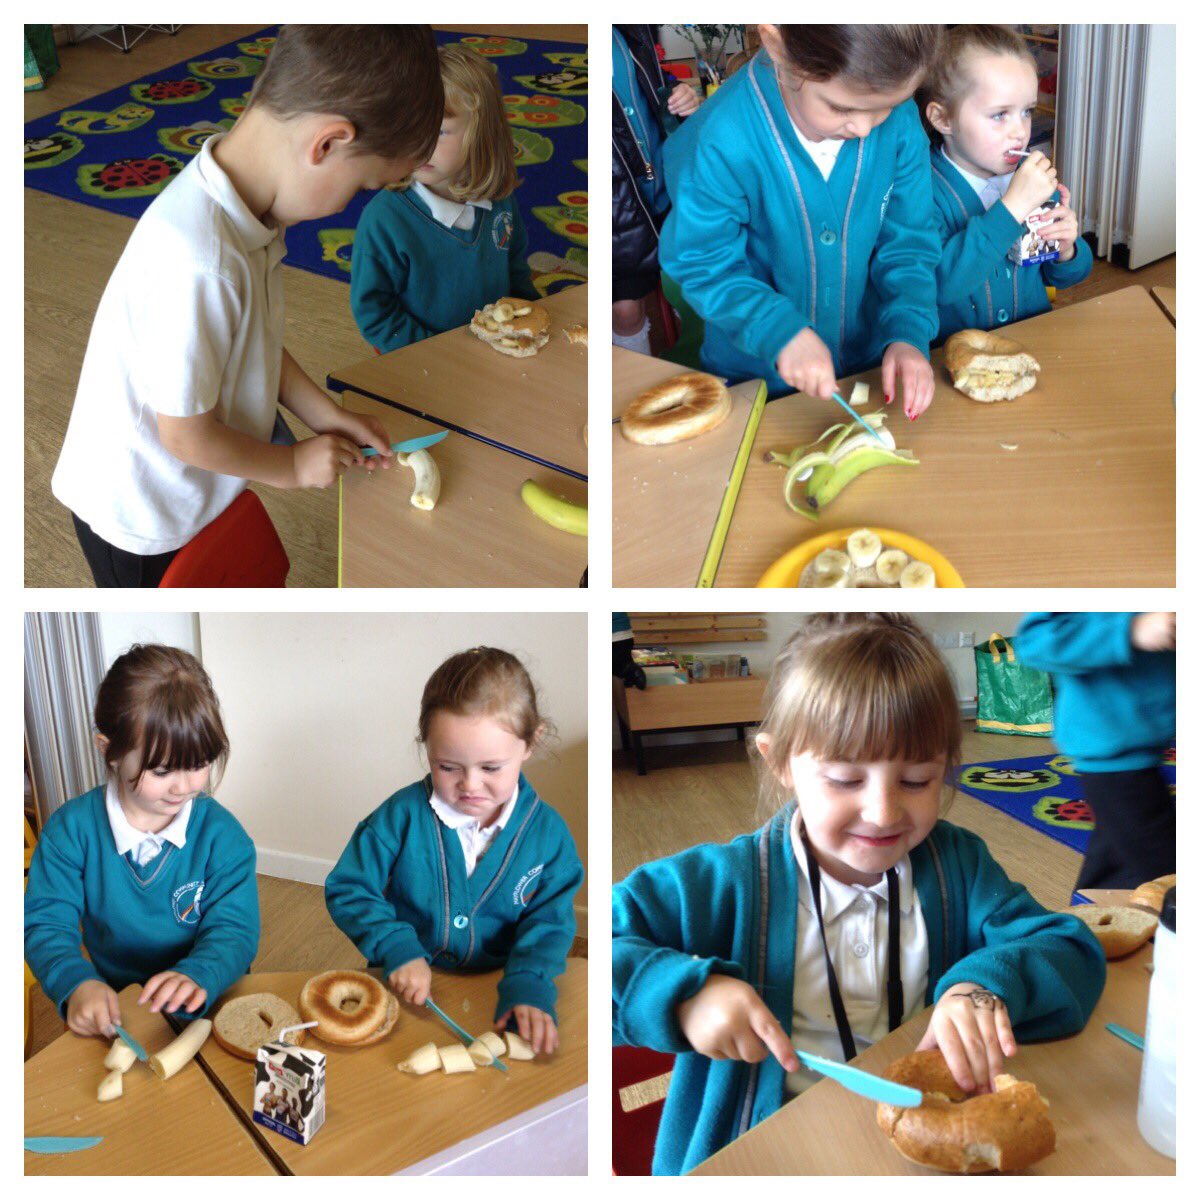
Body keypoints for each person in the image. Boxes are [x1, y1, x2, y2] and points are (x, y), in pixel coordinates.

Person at [613, 613, 1105, 1174]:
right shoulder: (719, 883)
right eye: (847, 779)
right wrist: (682, 995)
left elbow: (1068, 946)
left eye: (918, 780)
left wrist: (983, 986)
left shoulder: (958, 865)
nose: (883, 811)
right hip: (765, 1152)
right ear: (780, 763)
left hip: (919, 1145)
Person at [51, 26, 444, 586]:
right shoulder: (202, 260)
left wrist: (323, 413)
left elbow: (250, 342)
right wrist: (289, 465)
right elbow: (185, 435)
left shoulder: (248, 209)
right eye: (362, 187)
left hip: (187, 483)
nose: (350, 208)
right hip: (138, 512)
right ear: (327, 144)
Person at [660, 25, 942, 414]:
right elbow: (703, 262)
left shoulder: (901, 124)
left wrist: (908, 332)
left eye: (887, 106)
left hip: (868, 370)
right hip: (755, 386)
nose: (864, 128)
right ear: (777, 44)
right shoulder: (720, 138)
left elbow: (908, 245)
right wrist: (776, 329)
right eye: (841, 107)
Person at [326, 648, 583, 1055]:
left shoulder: (549, 836)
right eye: (448, 767)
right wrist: (395, 946)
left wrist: (530, 981)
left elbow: (549, 922)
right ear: (425, 746)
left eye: (491, 768)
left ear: (531, 742)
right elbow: (349, 888)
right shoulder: (399, 817)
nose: (470, 785)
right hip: (405, 985)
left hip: (503, 989)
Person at [25, 645, 260, 1036]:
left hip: (210, 998)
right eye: (163, 769)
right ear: (110, 751)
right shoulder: (70, 831)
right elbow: (46, 924)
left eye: (199, 764)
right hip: (120, 1009)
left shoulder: (225, 838)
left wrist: (199, 973)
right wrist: (75, 981)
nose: (184, 786)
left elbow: (235, 930)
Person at [351, 44, 539, 354]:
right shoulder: (384, 220)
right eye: (410, 127)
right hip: (419, 361)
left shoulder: (501, 202)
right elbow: (375, 315)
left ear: (481, 132)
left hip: (494, 353)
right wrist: (442, 354)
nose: (419, 143)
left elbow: (516, 273)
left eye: (438, 131)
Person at [920, 25, 1092, 342]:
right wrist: (1012, 209)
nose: (1019, 132)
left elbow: (1065, 278)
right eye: (1000, 115)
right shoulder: (922, 191)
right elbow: (939, 285)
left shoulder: (1033, 178)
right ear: (943, 119)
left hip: (1032, 343)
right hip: (953, 363)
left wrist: (1066, 250)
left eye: (1026, 111)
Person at [1016, 613, 1176, 890]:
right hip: (1112, 753)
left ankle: (1083, 928)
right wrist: (1129, 631)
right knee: (1172, 879)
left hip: (1147, 742)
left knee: (1111, 879)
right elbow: (1034, 642)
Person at [612, 25, 700, 356]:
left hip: (663, 192)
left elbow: (649, 79)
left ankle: (684, 349)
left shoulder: (630, 26)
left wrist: (676, 91)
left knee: (684, 280)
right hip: (618, 211)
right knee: (626, 309)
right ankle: (634, 376)